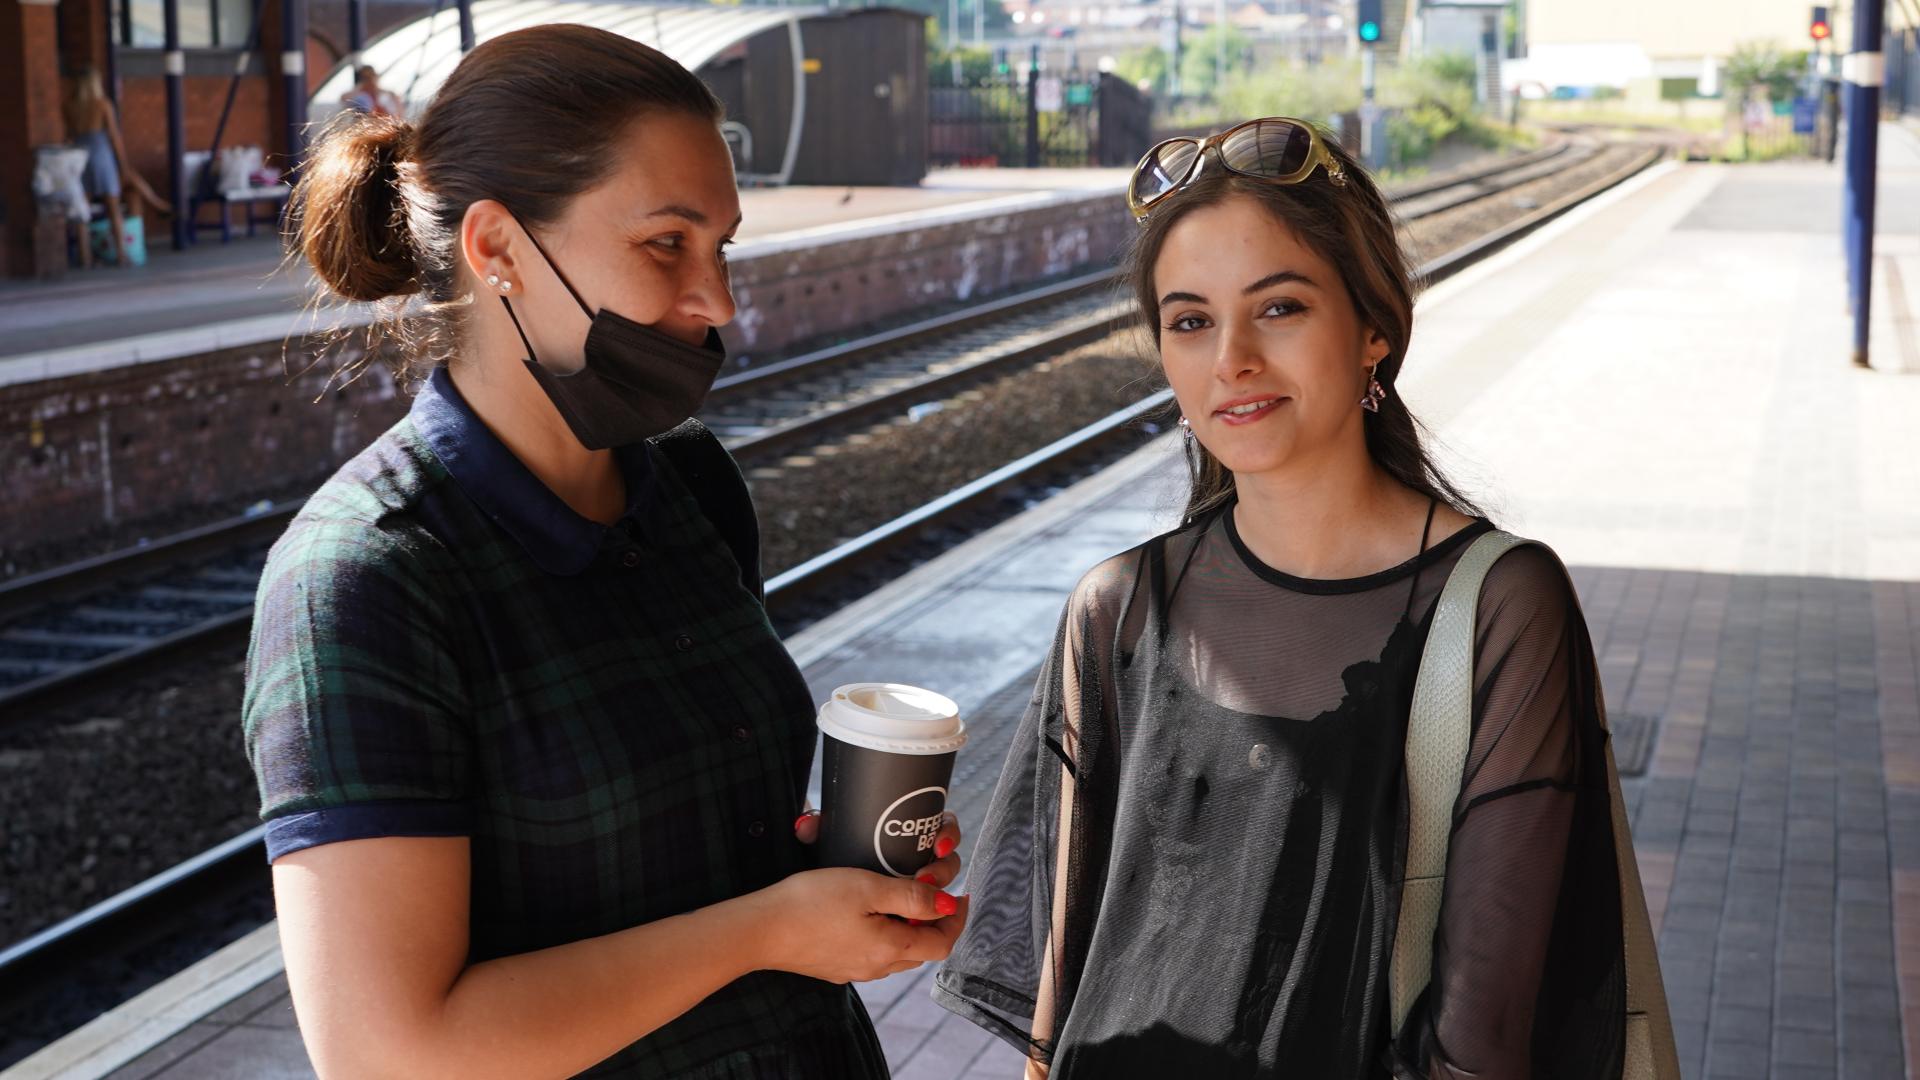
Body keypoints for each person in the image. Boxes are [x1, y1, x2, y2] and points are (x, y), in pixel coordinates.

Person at [245, 25, 966, 1079]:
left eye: (721, 245)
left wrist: (842, 875)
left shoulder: (692, 486)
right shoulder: (367, 578)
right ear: (496, 250)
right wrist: (769, 928)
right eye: (667, 243)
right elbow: (387, 1049)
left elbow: (700, 850)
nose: (718, 301)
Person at [932, 118, 1631, 1077]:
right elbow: (1064, 973)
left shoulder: (1499, 606)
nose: (1232, 360)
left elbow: (1485, 1034)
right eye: (1190, 321)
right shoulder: (1118, 608)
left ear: (1373, 327)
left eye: (1281, 307)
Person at [63, 65, 132, 267]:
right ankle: (121, 253)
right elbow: (114, 136)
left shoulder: (68, 106)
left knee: (82, 208)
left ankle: (85, 257)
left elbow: (68, 135)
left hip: (79, 154)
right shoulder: (103, 104)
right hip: (101, 153)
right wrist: (123, 164)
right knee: (113, 205)